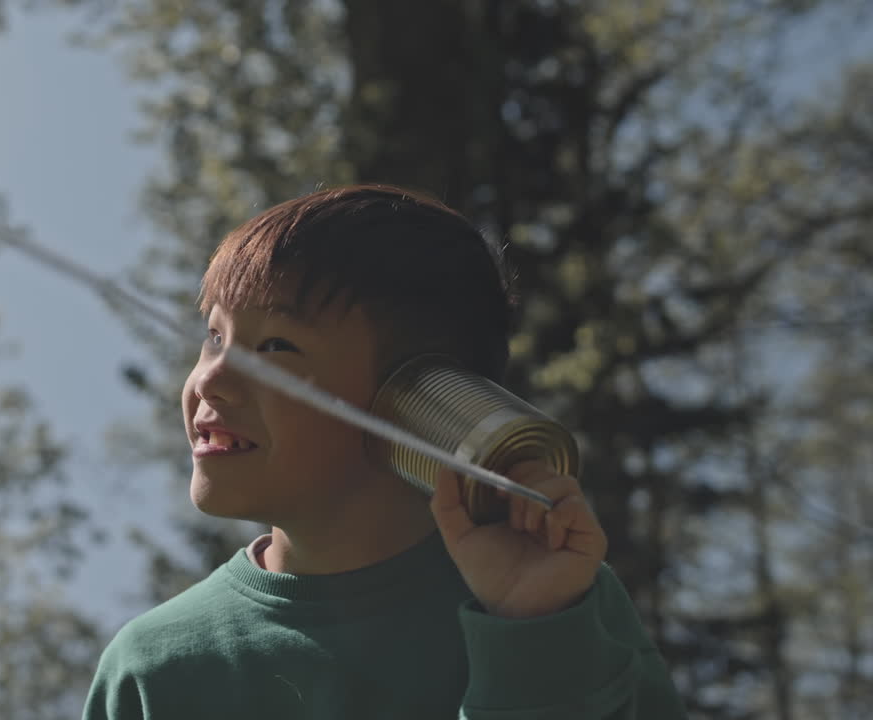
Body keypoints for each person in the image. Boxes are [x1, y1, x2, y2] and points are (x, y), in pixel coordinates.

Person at [82, 184, 687, 719]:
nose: (210, 379)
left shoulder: (560, 607)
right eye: (214, 336)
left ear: (417, 404)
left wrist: (529, 637)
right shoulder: (152, 671)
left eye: (275, 347)